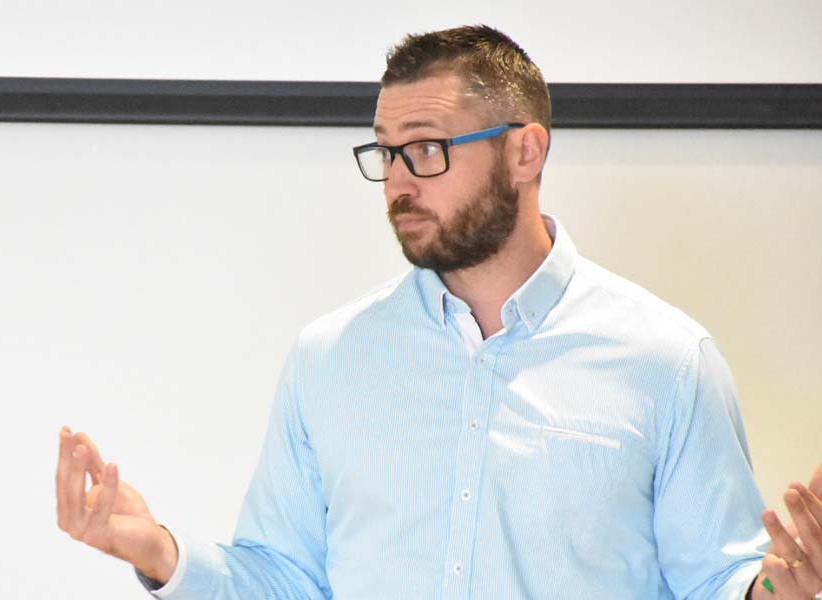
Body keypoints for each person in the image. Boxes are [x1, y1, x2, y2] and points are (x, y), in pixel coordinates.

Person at [55, 25, 822, 599]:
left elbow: (716, 580)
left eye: (425, 149)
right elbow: (283, 578)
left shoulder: (666, 360)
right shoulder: (331, 358)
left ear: (525, 153)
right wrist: (157, 551)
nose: (397, 183)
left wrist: (780, 589)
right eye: (386, 152)